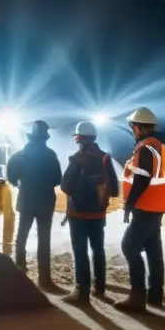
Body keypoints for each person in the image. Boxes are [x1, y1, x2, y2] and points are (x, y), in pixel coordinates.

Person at [116, 107, 165, 313]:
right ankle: (155, 295)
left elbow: (142, 179)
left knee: (129, 247)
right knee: (153, 250)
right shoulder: (160, 147)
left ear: (140, 127)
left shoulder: (145, 149)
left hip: (146, 207)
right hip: (156, 206)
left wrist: (129, 205)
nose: (132, 130)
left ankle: (137, 296)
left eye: (133, 127)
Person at [60, 121, 118, 306]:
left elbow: (64, 185)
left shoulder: (76, 159)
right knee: (98, 250)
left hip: (77, 215)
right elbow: (115, 189)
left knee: (80, 251)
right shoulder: (105, 158)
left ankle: (81, 291)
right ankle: (99, 288)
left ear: (78, 138)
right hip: (98, 216)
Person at [6, 120, 63, 289]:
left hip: (26, 199)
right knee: (43, 239)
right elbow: (57, 179)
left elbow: (11, 176)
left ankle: (19, 273)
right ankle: (44, 279)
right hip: (45, 200)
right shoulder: (50, 155)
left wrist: (22, 184)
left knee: (21, 236)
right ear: (45, 138)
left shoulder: (20, 155)